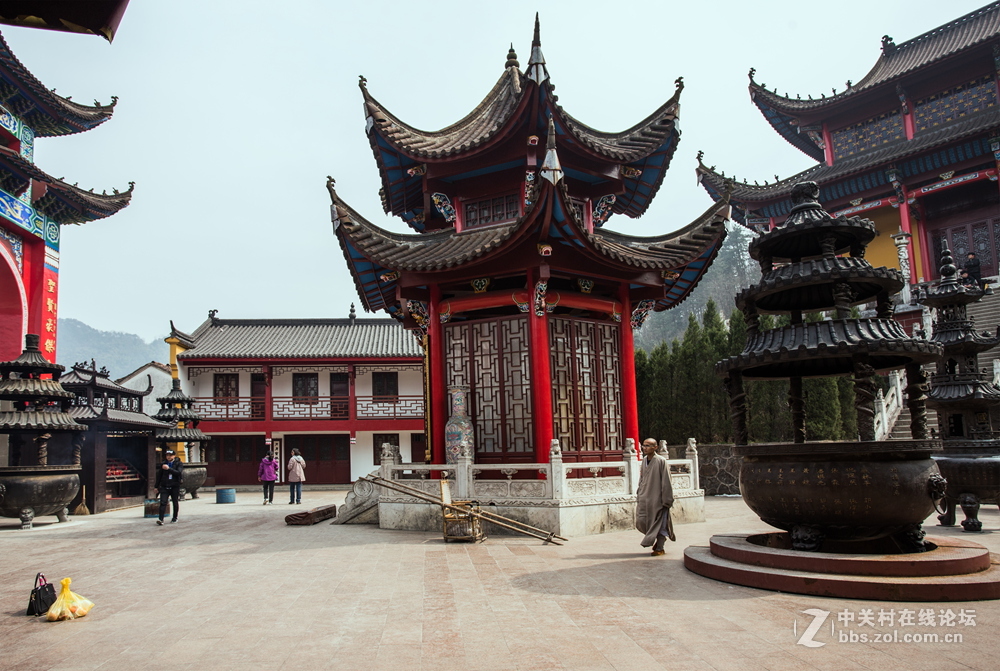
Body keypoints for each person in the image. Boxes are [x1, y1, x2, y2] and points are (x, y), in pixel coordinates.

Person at [635, 438, 675, 556]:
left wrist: (667, 499)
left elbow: (666, 481)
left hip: (658, 498)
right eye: (644, 445)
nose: (645, 448)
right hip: (645, 497)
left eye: (648, 446)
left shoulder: (661, 461)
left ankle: (660, 546)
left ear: (655, 447)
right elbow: (642, 479)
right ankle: (655, 540)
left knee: (660, 523)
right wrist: (639, 492)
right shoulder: (644, 461)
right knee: (642, 522)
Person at [154, 450, 183, 525]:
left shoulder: (178, 463)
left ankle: (175, 517)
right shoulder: (163, 464)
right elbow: (159, 476)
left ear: (174, 456)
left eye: (170, 455)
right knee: (163, 502)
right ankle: (161, 519)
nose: (168, 457)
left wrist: (169, 469)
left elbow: (178, 473)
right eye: (167, 455)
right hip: (164, 486)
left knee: (175, 501)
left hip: (175, 486)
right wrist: (156, 487)